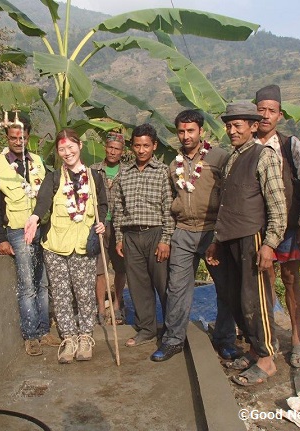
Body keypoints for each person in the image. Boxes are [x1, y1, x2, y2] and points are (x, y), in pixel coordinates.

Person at [206, 101, 287, 386]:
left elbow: (277, 204)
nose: (231, 130)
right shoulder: (232, 158)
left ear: (253, 126)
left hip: (252, 237)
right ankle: (253, 351)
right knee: (236, 297)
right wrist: (216, 240)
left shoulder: (263, 155)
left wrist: (269, 244)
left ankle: (266, 361)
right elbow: (225, 204)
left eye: (237, 125)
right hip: (229, 238)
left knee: (256, 299)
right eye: (229, 125)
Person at [150, 110, 238, 362]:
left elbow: (229, 198)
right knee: (177, 288)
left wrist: (221, 236)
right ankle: (173, 340)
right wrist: (169, 236)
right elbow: (170, 202)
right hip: (184, 232)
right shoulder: (173, 165)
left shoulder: (219, 157)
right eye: (181, 131)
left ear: (201, 131)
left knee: (225, 288)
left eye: (191, 131)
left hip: (213, 232)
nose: (186, 136)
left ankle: (225, 340)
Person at [24, 129, 108, 364]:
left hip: (84, 245)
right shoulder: (53, 178)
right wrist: (34, 217)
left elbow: (103, 205)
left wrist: (102, 224)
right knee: (60, 295)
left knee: (83, 293)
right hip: (56, 246)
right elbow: (43, 202)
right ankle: (69, 338)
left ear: (79, 146)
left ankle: (85, 337)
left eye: (70, 147)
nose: (67, 152)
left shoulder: (94, 177)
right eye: (62, 149)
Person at [0, 120, 61, 356]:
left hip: (41, 229)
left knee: (43, 283)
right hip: (18, 232)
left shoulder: (37, 162)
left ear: (28, 137)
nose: (18, 142)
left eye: (22, 138)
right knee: (27, 284)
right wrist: (1, 237)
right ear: (7, 138)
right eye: (13, 138)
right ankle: (30, 336)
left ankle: (43, 331)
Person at [254, 84, 300, 368]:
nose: (266, 115)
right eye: (261, 110)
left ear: (280, 115)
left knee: (290, 279)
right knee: (264, 281)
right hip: (256, 228)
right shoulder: (246, 145)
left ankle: (298, 339)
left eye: (271, 111)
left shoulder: (290, 145)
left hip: (288, 225)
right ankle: (270, 337)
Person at [113, 123, 175, 347]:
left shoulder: (162, 172)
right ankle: (147, 329)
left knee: (163, 284)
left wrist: (166, 240)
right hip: (131, 236)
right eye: (137, 145)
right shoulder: (124, 174)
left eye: (146, 146)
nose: (141, 150)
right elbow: (119, 207)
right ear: (132, 146)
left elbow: (168, 207)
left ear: (154, 146)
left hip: (155, 234)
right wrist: (119, 237)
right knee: (138, 286)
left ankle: (171, 331)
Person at [90, 132, 127, 326]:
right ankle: (100, 309)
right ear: (105, 147)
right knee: (100, 268)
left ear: (122, 151)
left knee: (121, 267)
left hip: (120, 226)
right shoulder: (93, 171)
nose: (113, 152)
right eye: (110, 147)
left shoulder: (128, 171)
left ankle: (117, 305)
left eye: (117, 149)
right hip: (99, 225)